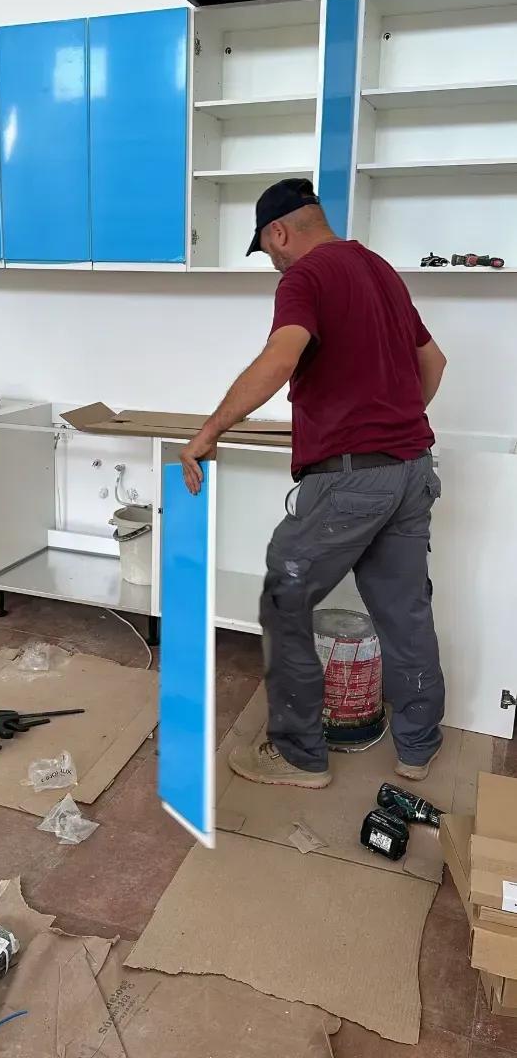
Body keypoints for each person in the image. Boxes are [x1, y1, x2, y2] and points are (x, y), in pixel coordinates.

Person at [179, 178, 447, 789]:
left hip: (352, 482)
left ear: (280, 232)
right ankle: (418, 748)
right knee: (405, 613)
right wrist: (394, 429)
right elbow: (433, 363)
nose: (272, 261)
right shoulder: (379, 270)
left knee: (284, 596)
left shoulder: (304, 277)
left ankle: (299, 756)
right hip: (411, 470)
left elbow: (281, 357)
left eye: (268, 249)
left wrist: (209, 432)